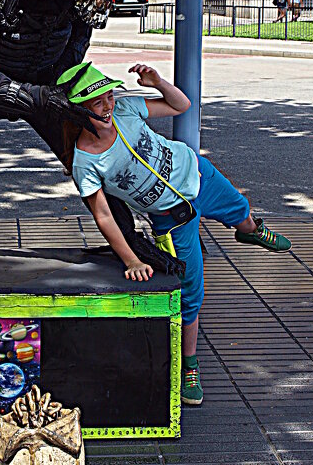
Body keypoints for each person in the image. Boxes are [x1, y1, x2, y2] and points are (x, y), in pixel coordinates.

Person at [58, 61, 292, 407]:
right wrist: (132, 259)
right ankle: (190, 365)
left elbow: (180, 105)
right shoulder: (85, 161)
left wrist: (156, 82)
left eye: (107, 95)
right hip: (173, 219)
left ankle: (251, 232)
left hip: (199, 175)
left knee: (241, 212)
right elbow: (104, 216)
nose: (107, 105)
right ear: (78, 111)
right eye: (97, 102)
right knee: (190, 292)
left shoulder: (125, 109)